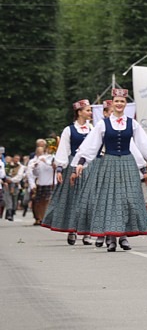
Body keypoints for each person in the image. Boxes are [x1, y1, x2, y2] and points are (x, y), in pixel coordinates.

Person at [73, 89, 147, 252]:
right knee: (110, 200)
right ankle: (112, 238)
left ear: (125, 104)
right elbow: (91, 145)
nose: (119, 104)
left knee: (128, 199)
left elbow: (143, 144)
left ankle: (123, 235)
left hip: (127, 163)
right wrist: (81, 162)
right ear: (112, 104)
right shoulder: (103, 124)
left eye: (122, 101)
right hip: (109, 162)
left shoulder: (132, 123)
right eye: (117, 101)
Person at [42, 99, 94, 244]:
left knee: (89, 199)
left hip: (90, 165)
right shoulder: (69, 130)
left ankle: (86, 232)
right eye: (88, 110)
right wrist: (60, 169)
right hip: (72, 164)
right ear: (79, 112)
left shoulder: (93, 129)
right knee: (73, 199)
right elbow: (63, 150)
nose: (90, 113)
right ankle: (72, 230)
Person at [27, 145, 55, 225]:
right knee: (39, 202)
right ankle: (39, 218)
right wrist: (35, 168)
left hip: (50, 183)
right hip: (40, 183)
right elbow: (35, 173)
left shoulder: (52, 158)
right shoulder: (37, 159)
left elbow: (54, 166)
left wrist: (46, 162)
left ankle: (45, 218)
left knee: (47, 201)